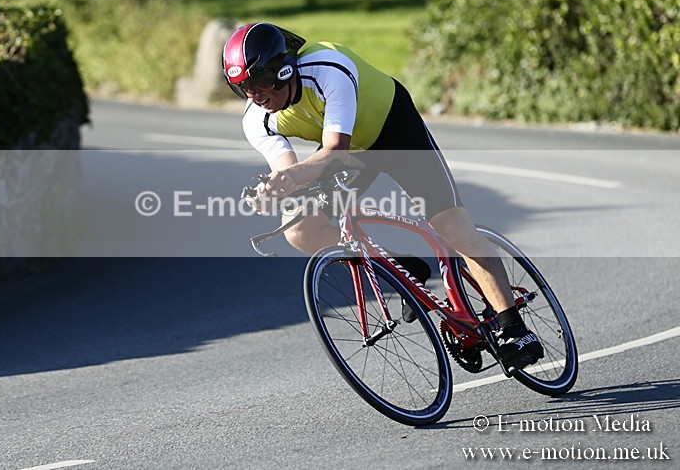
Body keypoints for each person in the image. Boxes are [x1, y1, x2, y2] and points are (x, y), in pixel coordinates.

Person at [222, 22, 543, 370]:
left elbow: (334, 152)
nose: (255, 95)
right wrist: (273, 190)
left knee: (452, 227)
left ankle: (515, 328)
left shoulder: (327, 67)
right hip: (354, 150)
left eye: (260, 83)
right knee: (299, 228)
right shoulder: (257, 120)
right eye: (242, 89)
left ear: (283, 68)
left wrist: (288, 179)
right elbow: (290, 171)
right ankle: (401, 267)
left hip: (394, 131)